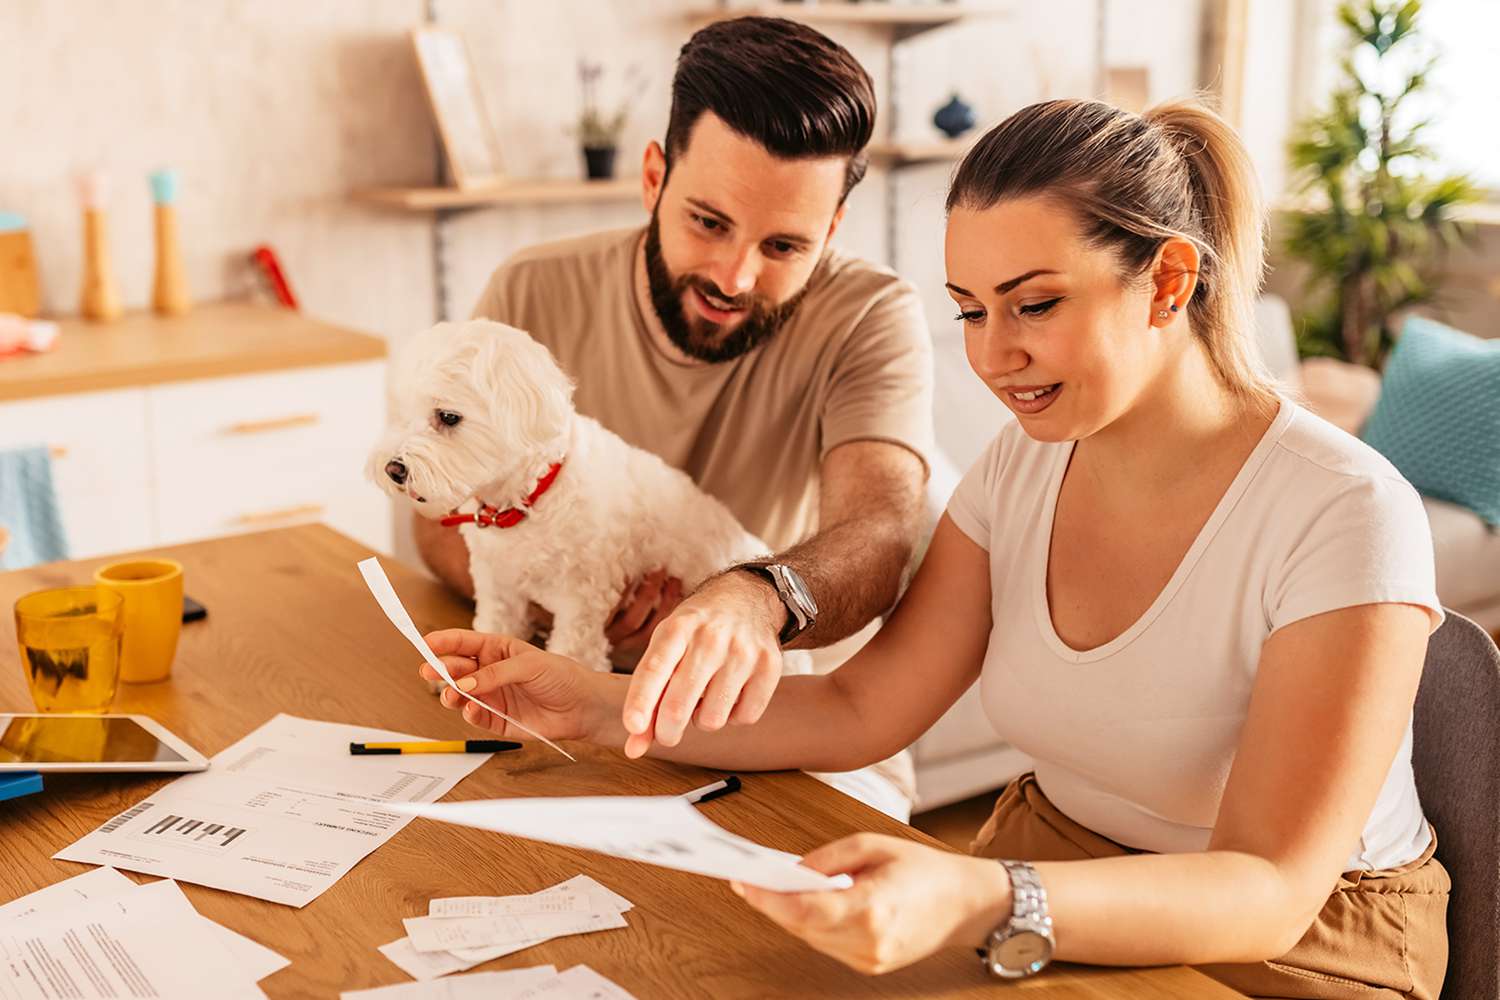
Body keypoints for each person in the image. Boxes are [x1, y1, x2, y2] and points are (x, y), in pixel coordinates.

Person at [417, 96, 1450, 998]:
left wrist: (983, 890)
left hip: (1295, 946)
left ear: (1170, 280)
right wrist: (598, 704)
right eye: (971, 311)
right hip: (1050, 875)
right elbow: (863, 705)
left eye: (1035, 304)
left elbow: (1268, 888)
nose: (997, 355)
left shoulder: (1343, 510)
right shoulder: (1022, 465)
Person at [412, 16, 932, 816]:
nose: (734, 275)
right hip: (555, 702)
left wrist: (751, 599)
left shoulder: (871, 315)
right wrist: (555, 589)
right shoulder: (532, 292)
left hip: (780, 729)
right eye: (709, 222)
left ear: (831, 231)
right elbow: (440, 513)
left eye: (785, 247)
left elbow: (880, 532)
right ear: (654, 177)